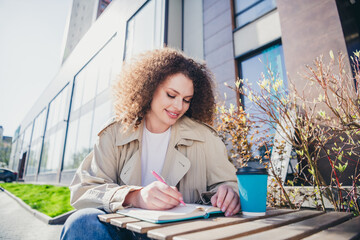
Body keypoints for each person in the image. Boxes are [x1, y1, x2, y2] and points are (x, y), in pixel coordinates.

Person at [61, 48, 240, 240]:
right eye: (171, 95)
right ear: (150, 87)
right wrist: (135, 196)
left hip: (181, 233)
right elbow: (84, 190)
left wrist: (229, 193)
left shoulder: (205, 138)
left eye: (186, 100)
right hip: (123, 232)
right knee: (81, 222)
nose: (179, 107)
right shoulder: (114, 133)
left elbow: (229, 183)